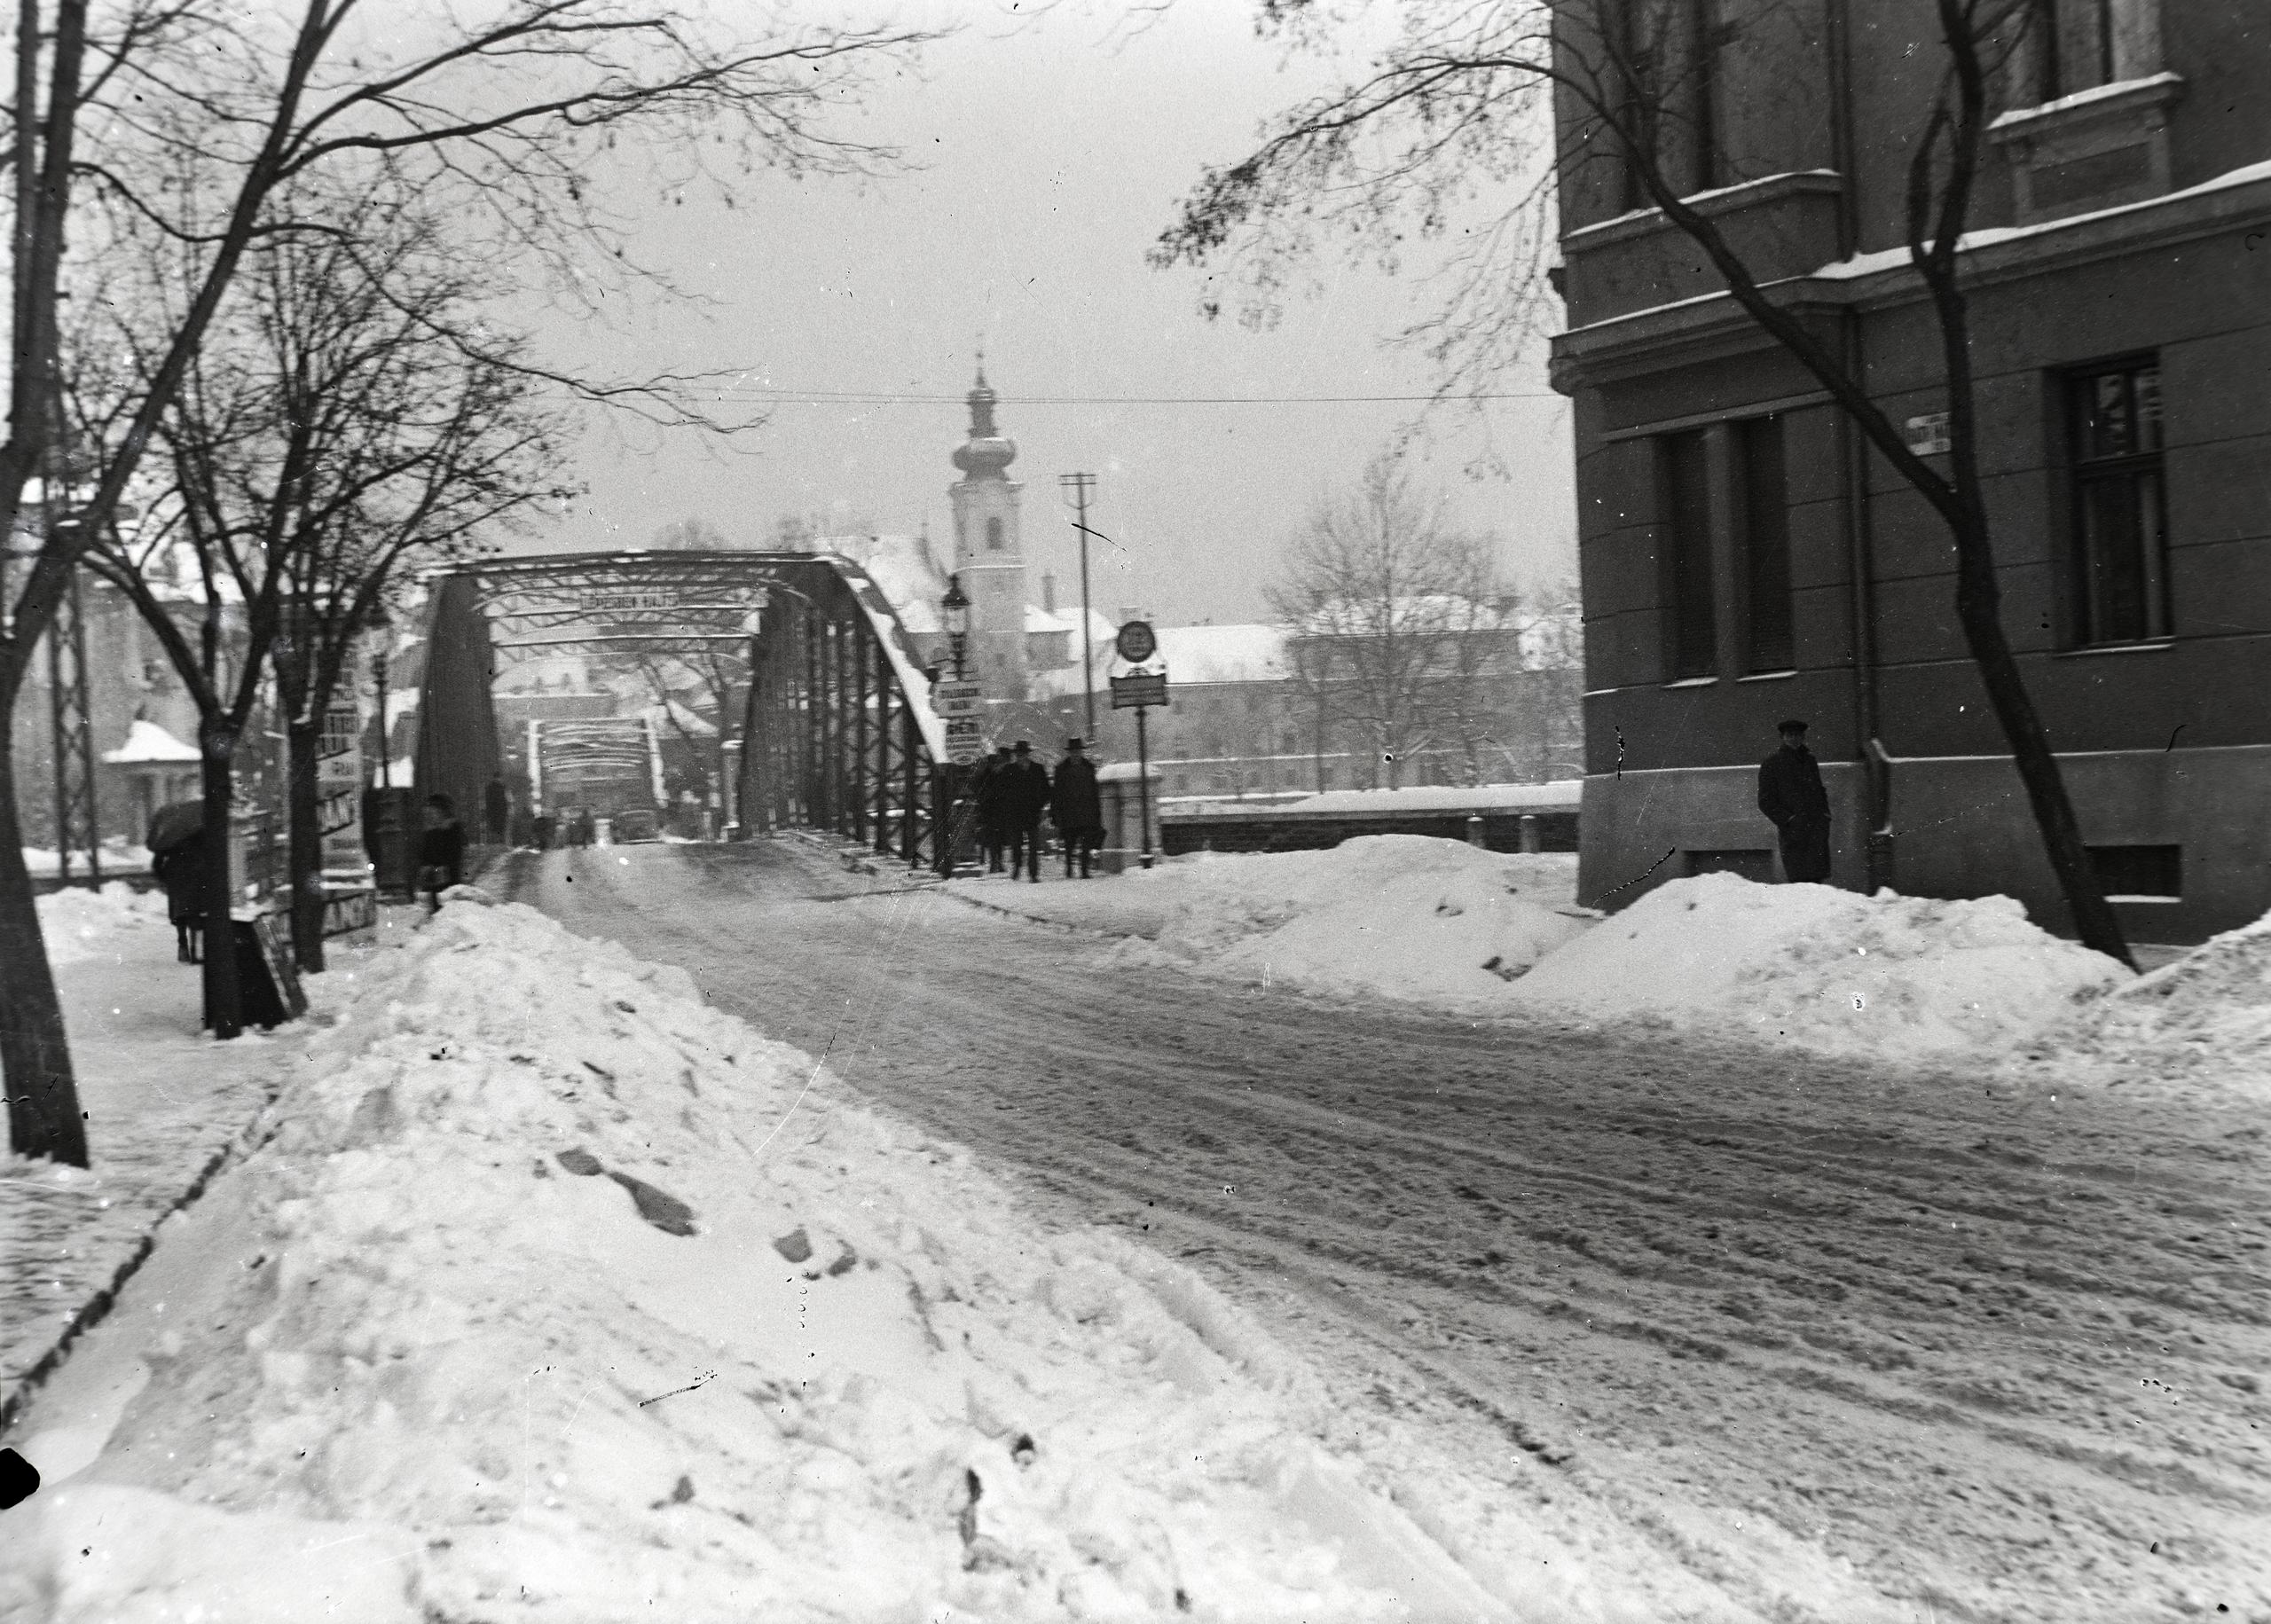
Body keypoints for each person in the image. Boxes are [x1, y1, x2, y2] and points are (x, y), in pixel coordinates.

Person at [1756, 719, 1832, 883]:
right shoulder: (1772, 763)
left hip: (1816, 828)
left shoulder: (1810, 761)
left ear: (1803, 737)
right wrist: (1788, 820)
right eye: (1789, 735)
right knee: (1799, 882)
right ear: (1783, 737)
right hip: (1794, 831)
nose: (1794, 739)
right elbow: (1765, 801)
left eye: (1798, 735)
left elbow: (1819, 790)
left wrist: (1825, 815)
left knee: (1818, 882)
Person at [1051, 736, 1104, 879]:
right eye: (1073, 752)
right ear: (1070, 753)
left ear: (1081, 752)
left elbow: (1094, 792)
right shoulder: (1061, 769)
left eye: (1078, 751)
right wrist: (1056, 815)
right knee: (1070, 843)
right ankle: (1069, 868)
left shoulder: (1089, 768)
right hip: (1069, 812)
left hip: (1086, 812)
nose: (1076, 754)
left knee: (1086, 843)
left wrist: (1097, 813)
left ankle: (1084, 870)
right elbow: (1056, 793)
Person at [1000, 740, 1053, 883]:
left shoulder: (1038, 769)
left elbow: (1047, 790)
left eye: (1022, 754)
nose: (1020, 757)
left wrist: (1041, 806)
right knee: (1016, 845)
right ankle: (1017, 866)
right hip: (1015, 814)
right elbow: (1002, 792)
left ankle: (1033, 873)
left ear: (1028, 755)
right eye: (1018, 755)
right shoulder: (1008, 771)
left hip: (1033, 813)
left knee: (1034, 845)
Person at [418, 792, 466, 913]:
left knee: (450, 907)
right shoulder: (431, 832)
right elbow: (425, 853)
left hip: (449, 878)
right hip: (434, 881)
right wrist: (425, 866)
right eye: (429, 813)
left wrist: (443, 867)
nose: (430, 816)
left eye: (433, 812)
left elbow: (455, 854)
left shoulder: (452, 829)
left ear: (442, 812)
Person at [972, 745, 1013, 874]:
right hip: (992, 808)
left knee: (996, 837)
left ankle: (996, 863)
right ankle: (996, 863)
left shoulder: (994, 771)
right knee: (994, 837)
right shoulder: (992, 771)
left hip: (994, 808)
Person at [483, 773, 510, 845]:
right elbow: (506, 801)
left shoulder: (489, 787)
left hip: (493, 812)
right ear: (500, 778)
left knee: (494, 828)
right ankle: (500, 843)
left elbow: (487, 801)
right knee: (500, 828)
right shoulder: (503, 787)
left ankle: (494, 843)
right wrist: (507, 811)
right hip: (500, 812)